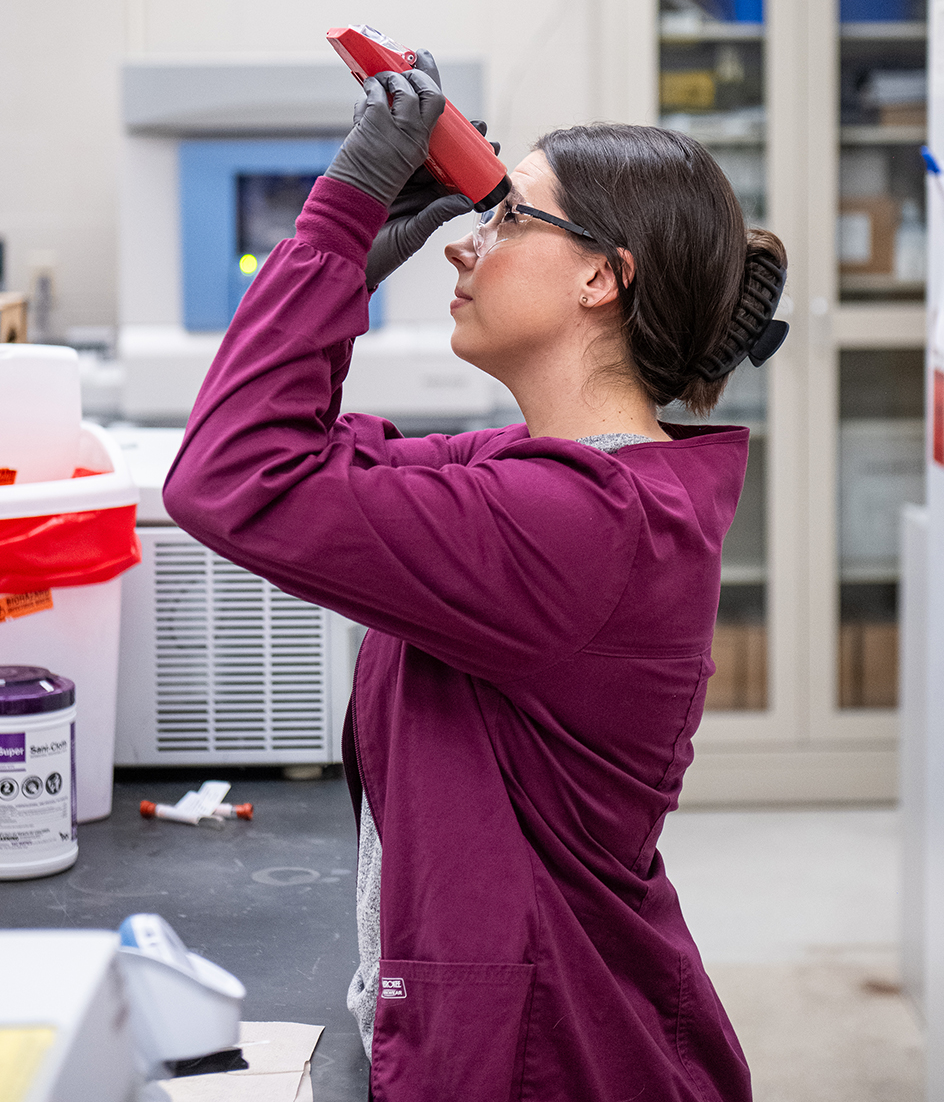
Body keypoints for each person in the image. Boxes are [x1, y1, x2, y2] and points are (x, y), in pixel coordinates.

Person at [163, 53, 788, 1102]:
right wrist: (353, 256)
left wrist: (339, 223)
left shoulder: (577, 527)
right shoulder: (537, 477)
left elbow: (236, 476)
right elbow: (296, 456)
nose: (463, 239)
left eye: (506, 218)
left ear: (602, 276)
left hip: (557, 1062)